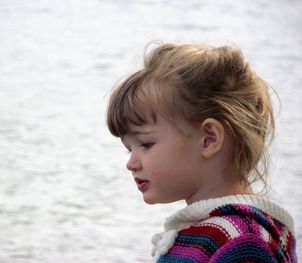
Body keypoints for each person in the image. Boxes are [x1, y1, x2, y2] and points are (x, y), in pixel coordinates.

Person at [106, 42, 297, 262]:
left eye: (145, 144)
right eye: (129, 148)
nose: (131, 163)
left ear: (209, 139)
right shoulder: (212, 232)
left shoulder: (242, 243)